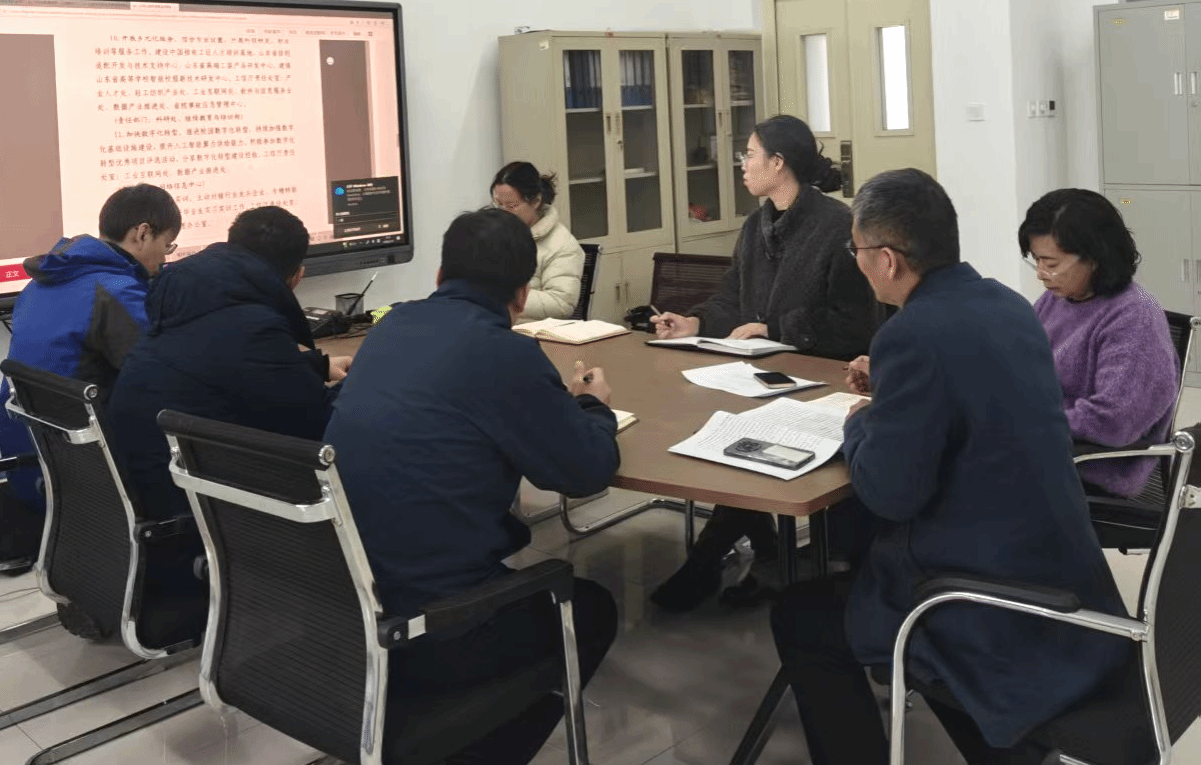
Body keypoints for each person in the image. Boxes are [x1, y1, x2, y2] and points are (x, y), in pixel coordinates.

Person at [771, 169, 1131, 765]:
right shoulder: (1009, 305)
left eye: (856, 251)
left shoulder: (911, 334)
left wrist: (862, 420)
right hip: (1060, 572)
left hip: (981, 597)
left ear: (887, 261)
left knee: (800, 616)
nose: (857, 263)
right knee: (856, 549)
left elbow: (889, 493)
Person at [325, 207, 620, 765]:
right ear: (522, 295)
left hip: (345, 607)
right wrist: (591, 406)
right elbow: (584, 472)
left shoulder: (389, 329)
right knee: (593, 610)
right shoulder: (506, 354)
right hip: (432, 629)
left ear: (439, 276)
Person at [648, 115, 876, 611]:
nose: (743, 164)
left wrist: (776, 329)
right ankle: (770, 556)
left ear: (778, 163)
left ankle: (705, 561)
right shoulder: (756, 225)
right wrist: (695, 320)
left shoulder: (838, 227)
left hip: (824, 380)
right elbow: (734, 297)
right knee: (717, 430)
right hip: (759, 377)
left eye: (750, 154)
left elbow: (854, 324)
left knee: (743, 444)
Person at [107, 206, 352, 521]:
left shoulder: (178, 294)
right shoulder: (254, 325)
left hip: (146, 489)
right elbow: (319, 425)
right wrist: (367, 378)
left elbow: (215, 364)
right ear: (297, 277)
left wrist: (314, 366)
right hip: (198, 513)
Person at [0, 183, 182, 517]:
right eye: (167, 245)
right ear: (142, 233)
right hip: (88, 473)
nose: (165, 258)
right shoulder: (116, 292)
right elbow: (161, 377)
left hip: (28, 464)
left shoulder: (38, 284)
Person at [1019, 188, 1178, 498]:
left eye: (1050, 263)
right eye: (1035, 260)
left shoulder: (1134, 316)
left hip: (1091, 469)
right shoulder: (1056, 300)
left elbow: (1115, 420)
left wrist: (1029, 422)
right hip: (1047, 450)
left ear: (1094, 258)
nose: (1041, 274)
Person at [491, 161, 586, 322]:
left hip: (527, 330)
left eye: (511, 206)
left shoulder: (562, 245)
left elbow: (561, 304)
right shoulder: (492, 233)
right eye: (499, 205)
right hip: (490, 323)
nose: (503, 213)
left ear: (535, 201)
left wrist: (500, 297)